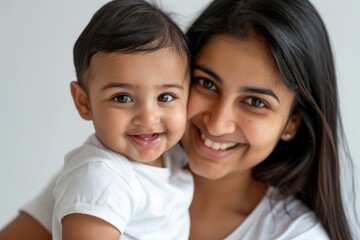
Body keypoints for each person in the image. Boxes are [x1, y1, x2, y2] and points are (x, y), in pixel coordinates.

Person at [0, 0, 357, 239]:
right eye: (207, 84)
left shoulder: (293, 235)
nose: (217, 124)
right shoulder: (111, 171)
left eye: (254, 102)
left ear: (291, 124)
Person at [18, 0, 193, 240]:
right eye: (122, 98)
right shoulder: (101, 177)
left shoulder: (174, 158)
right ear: (84, 102)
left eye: (165, 96)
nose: (148, 116)